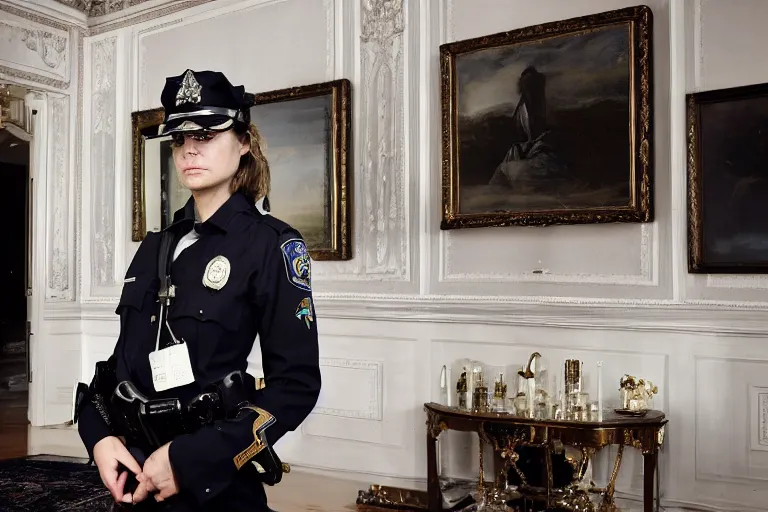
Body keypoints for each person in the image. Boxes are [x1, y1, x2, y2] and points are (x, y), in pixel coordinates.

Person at [74, 69, 322, 511]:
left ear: (244, 141)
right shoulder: (155, 246)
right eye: (179, 137)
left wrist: (190, 459)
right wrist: (100, 439)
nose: (189, 147)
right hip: (134, 478)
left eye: (207, 133)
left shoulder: (273, 245)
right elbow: (117, 368)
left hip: (213, 488)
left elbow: (296, 386)